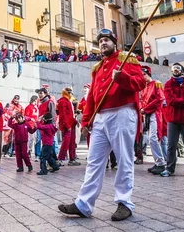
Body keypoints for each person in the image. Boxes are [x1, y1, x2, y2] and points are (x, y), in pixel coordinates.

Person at [58, 28, 145, 221]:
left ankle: (124, 203)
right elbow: (92, 99)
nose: (103, 43)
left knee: (124, 159)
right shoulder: (97, 68)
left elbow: (140, 83)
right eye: (100, 41)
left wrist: (122, 78)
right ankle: (83, 204)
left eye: (106, 40)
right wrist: (87, 120)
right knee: (94, 161)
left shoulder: (127, 60)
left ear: (115, 43)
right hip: (100, 118)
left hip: (122, 113)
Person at [161, 63, 184, 178]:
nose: (175, 70)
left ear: (182, 71)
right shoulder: (168, 84)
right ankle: (169, 168)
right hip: (173, 119)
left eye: (178, 68)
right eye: (174, 69)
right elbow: (170, 100)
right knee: (171, 145)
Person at [140, 66, 167, 175]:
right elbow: (143, 101)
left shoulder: (157, 84)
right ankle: (158, 162)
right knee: (152, 139)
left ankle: (161, 163)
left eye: (144, 74)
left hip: (156, 113)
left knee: (153, 138)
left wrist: (145, 109)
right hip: (148, 114)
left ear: (148, 74)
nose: (142, 77)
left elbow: (159, 99)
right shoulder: (144, 87)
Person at [57, 87, 80, 166]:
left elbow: (70, 115)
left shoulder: (68, 101)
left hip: (71, 124)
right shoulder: (63, 101)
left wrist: (75, 121)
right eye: (69, 92)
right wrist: (67, 125)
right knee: (66, 143)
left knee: (72, 143)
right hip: (67, 126)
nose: (71, 94)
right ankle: (60, 159)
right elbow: (63, 115)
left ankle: (72, 159)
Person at [25, 96, 41, 161]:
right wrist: (31, 119)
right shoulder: (28, 107)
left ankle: (37, 154)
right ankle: (29, 152)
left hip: (37, 125)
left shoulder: (37, 108)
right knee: (30, 140)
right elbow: (26, 116)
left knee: (37, 140)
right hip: (31, 126)